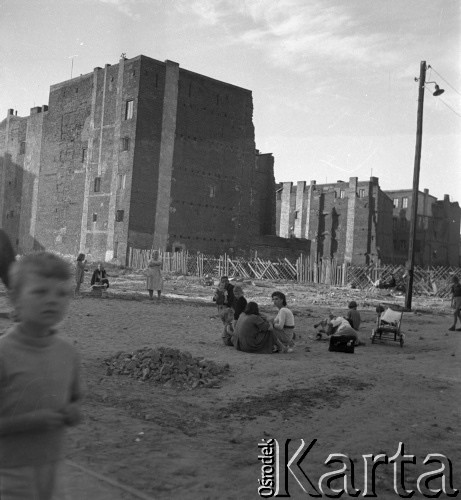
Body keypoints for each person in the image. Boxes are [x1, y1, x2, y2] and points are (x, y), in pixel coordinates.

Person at [0, 252, 82, 499]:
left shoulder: (68, 352)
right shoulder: (3, 354)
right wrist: (28, 421)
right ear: (14, 299)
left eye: (62, 294)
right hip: (9, 472)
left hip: (54, 468)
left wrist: (73, 412)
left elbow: (75, 399)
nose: (52, 301)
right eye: (40, 292)